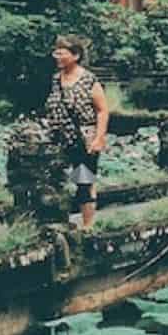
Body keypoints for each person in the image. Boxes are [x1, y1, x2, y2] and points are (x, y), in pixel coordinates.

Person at [46, 35, 109, 228]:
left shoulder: (88, 80)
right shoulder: (56, 79)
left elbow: (102, 110)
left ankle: (87, 226)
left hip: (84, 139)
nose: (57, 56)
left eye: (61, 52)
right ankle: (58, 221)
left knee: (84, 182)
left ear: (75, 55)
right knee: (55, 179)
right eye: (55, 52)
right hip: (59, 138)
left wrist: (99, 137)